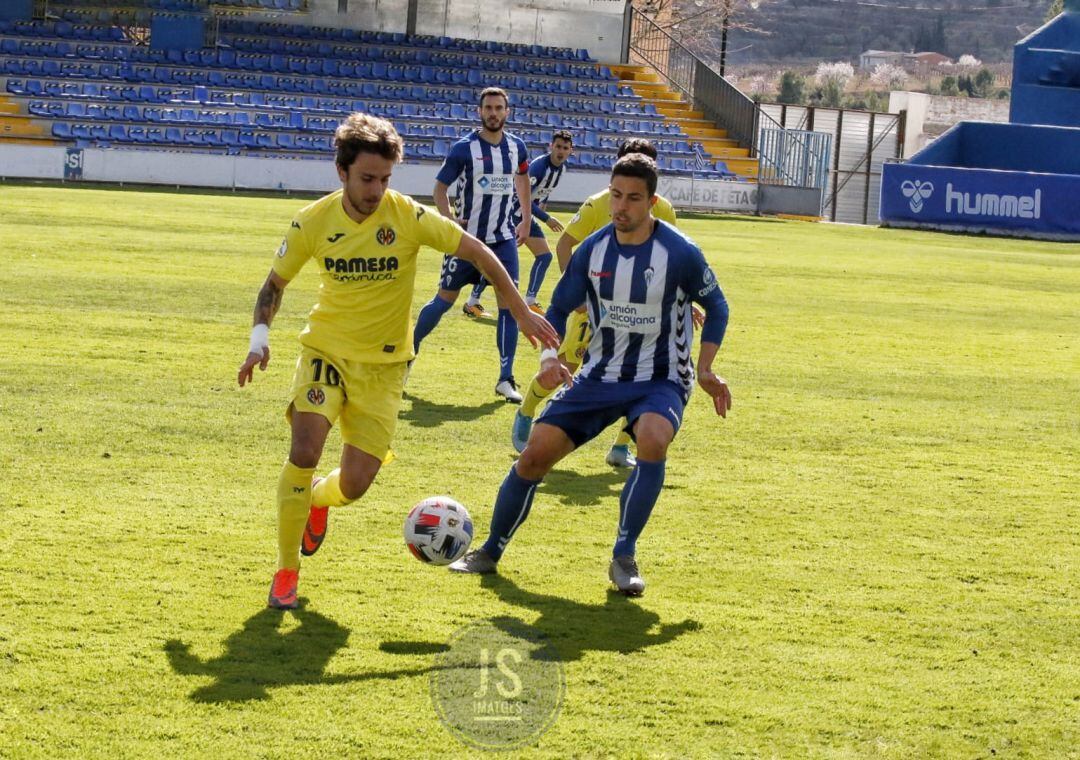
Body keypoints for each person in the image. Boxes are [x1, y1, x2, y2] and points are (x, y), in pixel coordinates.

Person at [237, 113, 558, 610]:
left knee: (355, 484)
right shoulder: (312, 221)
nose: (376, 189)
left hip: (385, 368)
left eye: (385, 179)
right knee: (304, 450)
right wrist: (259, 339)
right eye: (367, 178)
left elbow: (479, 252)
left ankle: (318, 502)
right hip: (325, 351)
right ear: (341, 171)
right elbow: (273, 285)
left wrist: (519, 309)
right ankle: (286, 572)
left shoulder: (405, 215)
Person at [449, 153, 732, 596]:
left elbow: (717, 306)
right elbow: (560, 309)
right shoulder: (593, 251)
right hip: (600, 374)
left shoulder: (680, 252)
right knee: (535, 455)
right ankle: (489, 550)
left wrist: (708, 368)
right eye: (616, 195)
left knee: (654, 439)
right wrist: (549, 359)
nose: (621, 207)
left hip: (661, 377)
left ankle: (624, 556)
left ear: (652, 202)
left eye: (633, 199)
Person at [511, 138, 684, 469]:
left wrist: (683, 300)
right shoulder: (597, 205)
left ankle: (620, 447)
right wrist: (576, 293)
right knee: (570, 368)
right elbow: (564, 246)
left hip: (641, 312)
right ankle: (528, 408)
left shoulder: (663, 209)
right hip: (596, 308)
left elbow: (673, 261)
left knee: (643, 378)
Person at [412, 87, 533, 402]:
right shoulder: (464, 149)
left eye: (499, 108)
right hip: (467, 242)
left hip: (504, 241)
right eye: (488, 108)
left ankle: (506, 379)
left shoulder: (517, 148)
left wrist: (526, 218)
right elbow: (440, 188)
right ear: (480, 112)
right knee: (443, 302)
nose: (493, 113)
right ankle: (407, 354)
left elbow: (522, 180)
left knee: (509, 306)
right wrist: (449, 219)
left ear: (507, 112)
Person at [463, 129, 575, 317]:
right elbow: (525, 198)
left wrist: (541, 212)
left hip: (526, 217)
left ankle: (530, 301)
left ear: (571, 150)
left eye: (565, 148)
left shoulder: (561, 169)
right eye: (558, 147)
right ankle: (472, 301)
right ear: (551, 146)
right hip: (512, 216)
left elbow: (542, 194)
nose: (561, 151)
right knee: (499, 261)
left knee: (544, 256)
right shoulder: (540, 167)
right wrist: (546, 219)